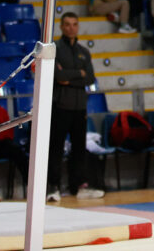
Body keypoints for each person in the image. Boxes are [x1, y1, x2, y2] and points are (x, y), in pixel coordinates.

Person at [48, 13, 104, 201]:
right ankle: (52, 187)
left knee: (79, 148)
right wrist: (77, 74)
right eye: (67, 24)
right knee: (55, 148)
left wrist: (70, 76)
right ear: (61, 26)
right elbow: (57, 76)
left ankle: (79, 186)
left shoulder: (83, 51)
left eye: (74, 24)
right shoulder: (55, 49)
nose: (71, 28)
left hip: (80, 107)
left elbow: (89, 78)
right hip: (60, 106)